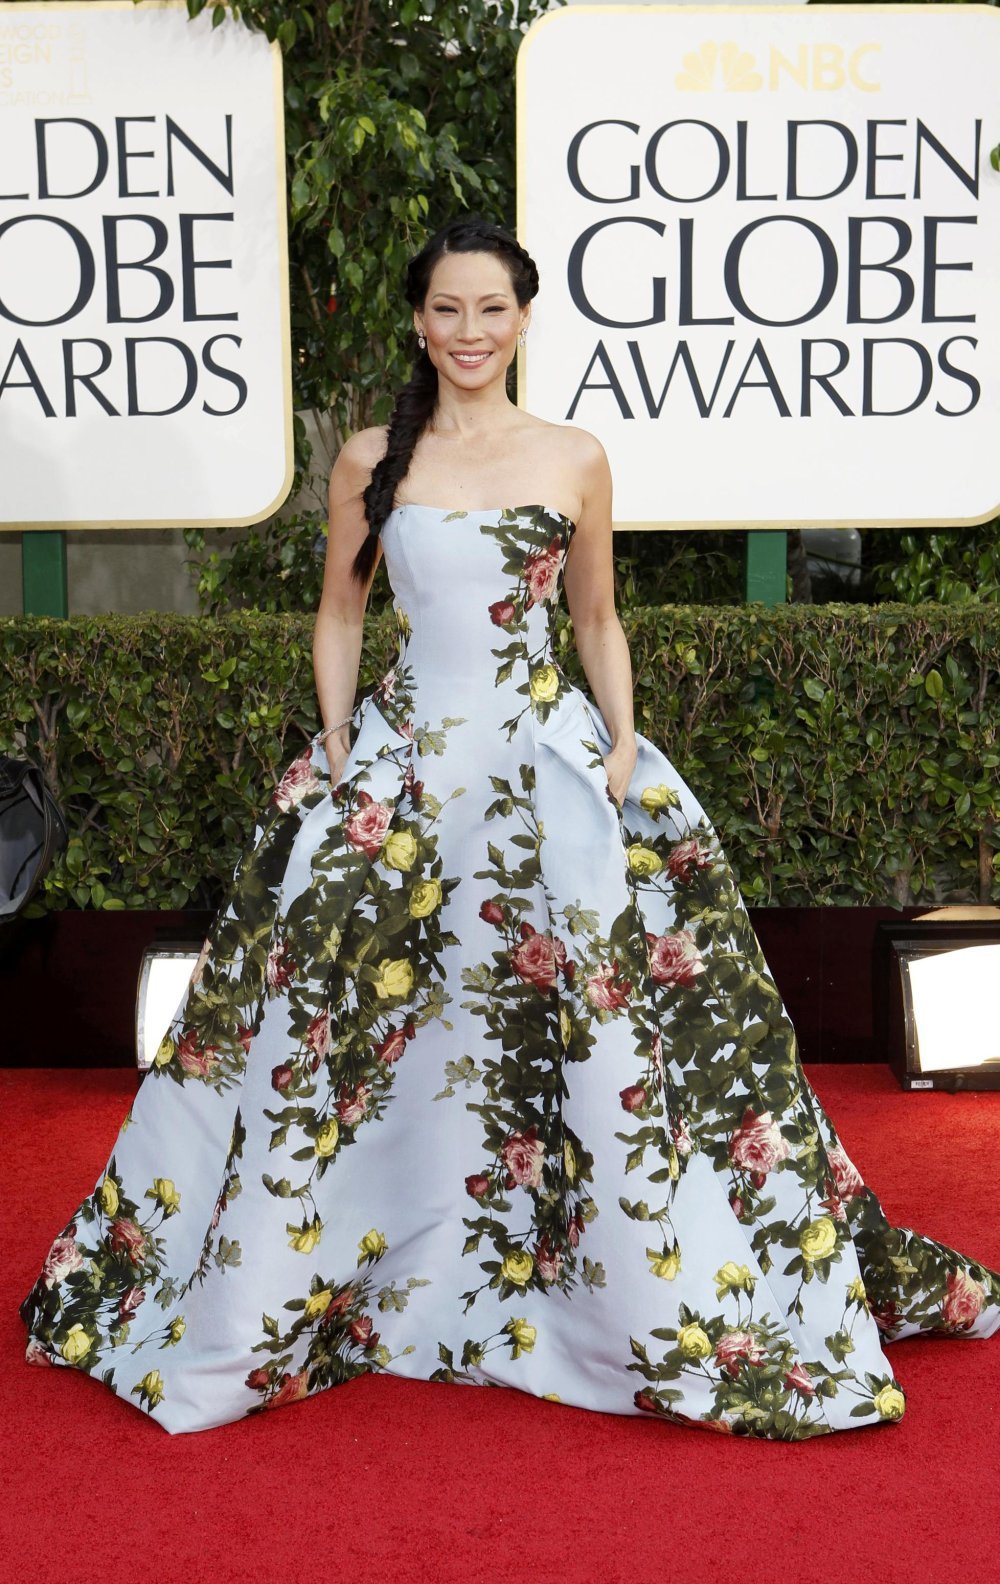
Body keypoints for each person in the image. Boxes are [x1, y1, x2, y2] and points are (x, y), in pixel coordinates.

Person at [20, 216, 999, 1439]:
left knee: (582, 1026)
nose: (469, 331)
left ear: (523, 319)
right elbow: (339, 614)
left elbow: (596, 620)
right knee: (354, 1025)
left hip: (545, 772)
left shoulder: (574, 456)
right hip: (406, 772)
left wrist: (623, 742)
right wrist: (338, 742)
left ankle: (582, 1285)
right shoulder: (369, 459)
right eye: (448, 309)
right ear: (418, 322)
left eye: (491, 309)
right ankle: (361, 1267)